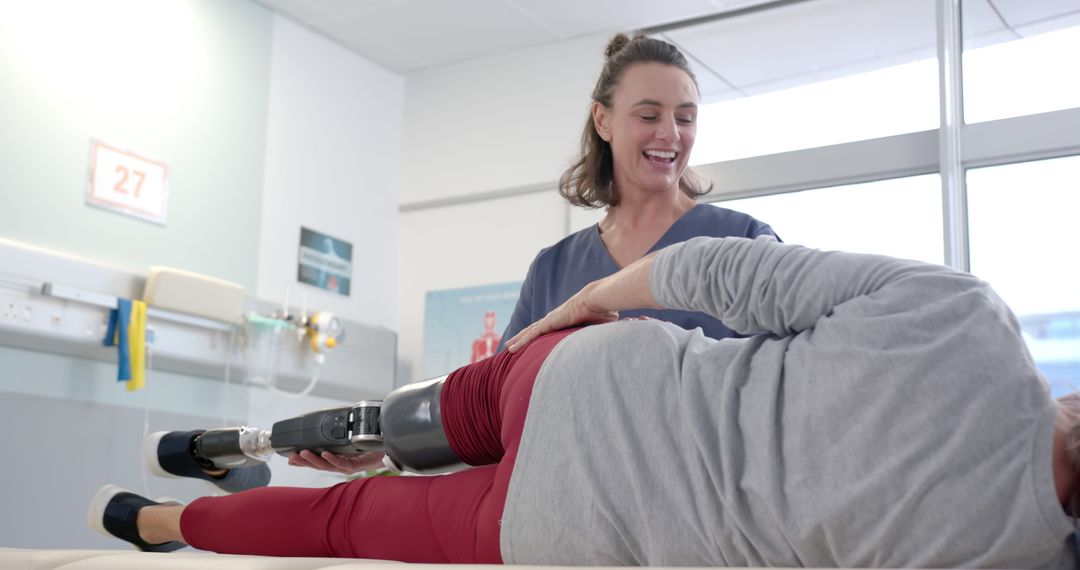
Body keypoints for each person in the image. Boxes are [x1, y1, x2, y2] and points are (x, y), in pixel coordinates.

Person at [91, 236, 1077, 567]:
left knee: (379, 425)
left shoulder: (964, 314)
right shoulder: (1016, 556)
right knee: (348, 522)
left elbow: (720, 271)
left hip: (581, 380)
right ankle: (158, 522)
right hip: (581, 526)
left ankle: (225, 443)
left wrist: (573, 311)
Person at [498, 33, 778, 349]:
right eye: (648, 116)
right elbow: (499, 387)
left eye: (685, 118)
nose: (670, 133)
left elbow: (794, 374)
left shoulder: (744, 239)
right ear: (603, 120)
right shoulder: (552, 269)